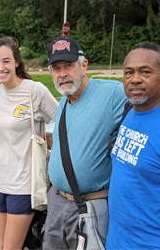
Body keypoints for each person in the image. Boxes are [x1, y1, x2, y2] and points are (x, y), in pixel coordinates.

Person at [42, 36, 127, 250]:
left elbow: (150, 102)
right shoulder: (64, 100)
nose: (63, 74)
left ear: (84, 65)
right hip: (57, 201)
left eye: (69, 66)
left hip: (91, 205)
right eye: (56, 68)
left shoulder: (112, 94)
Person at [0, 37, 58, 249]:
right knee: (2, 246)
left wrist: (48, 147)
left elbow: (62, 119)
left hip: (23, 184)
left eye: (6, 61)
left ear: (17, 62)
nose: (0, 67)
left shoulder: (34, 91)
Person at [106, 42, 160, 249]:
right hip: (117, 241)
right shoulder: (132, 112)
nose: (134, 79)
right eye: (128, 73)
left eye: (145, 72)